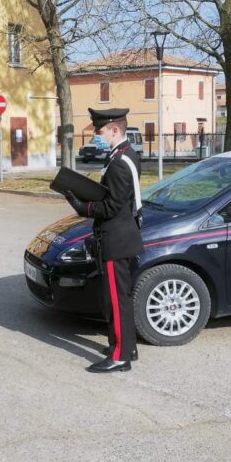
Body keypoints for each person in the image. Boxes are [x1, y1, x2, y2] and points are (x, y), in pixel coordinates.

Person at [63, 107, 143, 373]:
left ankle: (121, 356)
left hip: (116, 239)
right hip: (119, 236)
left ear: (114, 129)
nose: (97, 136)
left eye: (99, 132)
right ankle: (126, 346)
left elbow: (112, 207)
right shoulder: (121, 155)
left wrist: (82, 207)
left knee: (117, 300)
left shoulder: (120, 162)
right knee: (118, 297)